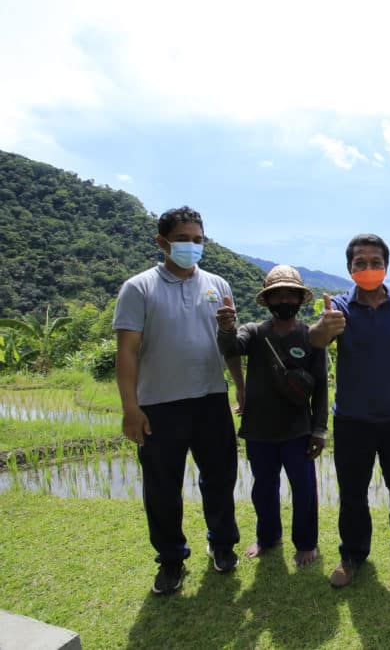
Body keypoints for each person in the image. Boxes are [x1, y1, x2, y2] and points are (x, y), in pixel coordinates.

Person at [114, 206, 243, 594]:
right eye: (183, 239)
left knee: (220, 478)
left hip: (210, 399)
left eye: (198, 240)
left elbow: (230, 343)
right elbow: (127, 352)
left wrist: (240, 385)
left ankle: (222, 545)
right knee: (162, 487)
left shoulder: (218, 285)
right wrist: (129, 408)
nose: (191, 246)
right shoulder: (139, 288)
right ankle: (171, 560)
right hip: (158, 405)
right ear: (163, 242)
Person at [309, 233, 390, 588]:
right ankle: (352, 555)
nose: (369, 268)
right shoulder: (339, 309)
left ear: (386, 266)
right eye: (360, 263)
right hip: (352, 421)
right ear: (349, 269)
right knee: (352, 494)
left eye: (375, 262)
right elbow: (316, 341)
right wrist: (322, 327)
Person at [216, 265, 328, 567]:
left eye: (290, 294)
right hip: (259, 430)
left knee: (304, 489)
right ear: (268, 300)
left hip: (298, 430)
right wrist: (226, 326)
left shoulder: (311, 337)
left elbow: (321, 388)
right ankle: (268, 538)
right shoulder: (254, 332)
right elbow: (229, 347)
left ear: (300, 299)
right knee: (263, 489)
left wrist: (319, 430)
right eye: (277, 295)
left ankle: (306, 544)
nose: (284, 300)